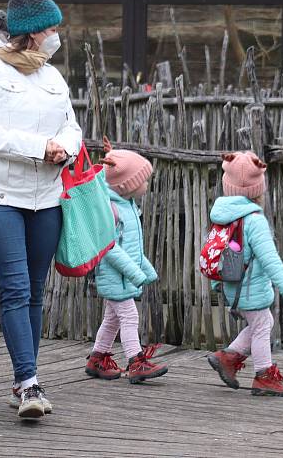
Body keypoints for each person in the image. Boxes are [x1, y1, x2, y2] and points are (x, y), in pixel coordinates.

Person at [0, 0, 82, 419]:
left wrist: (65, 148)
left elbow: (71, 124)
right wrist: (38, 148)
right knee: (13, 287)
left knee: (33, 290)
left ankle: (21, 378)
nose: (55, 37)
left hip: (44, 196)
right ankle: (30, 384)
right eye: (50, 30)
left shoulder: (51, 76)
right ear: (30, 34)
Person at [206, 151, 283, 397]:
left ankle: (228, 358)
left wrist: (215, 286)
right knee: (261, 325)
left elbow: (213, 250)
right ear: (258, 189)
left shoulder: (223, 215)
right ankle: (264, 376)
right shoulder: (254, 220)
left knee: (262, 322)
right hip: (250, 287)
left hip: (232, 284)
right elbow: (270, 260)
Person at [85, 139, 168, 384]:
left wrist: (145, 268)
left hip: (122, 276)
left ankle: (97, 358)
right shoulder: (111, 208)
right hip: (115, 275)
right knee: (130, 317)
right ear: (126, 185)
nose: (145, 185)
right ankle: (136, 361)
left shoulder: (128, 205)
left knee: (112, 319)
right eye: (142, 181)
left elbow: (132, 247)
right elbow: (108, 247)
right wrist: (134, 271)